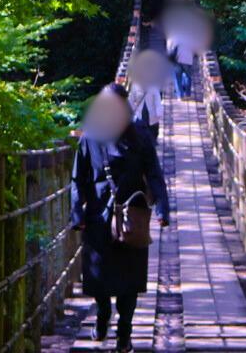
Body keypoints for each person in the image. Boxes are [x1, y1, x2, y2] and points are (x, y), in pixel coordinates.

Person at [71, 83, 170, 350]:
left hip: (130, 218)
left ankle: (124, 334)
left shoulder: (139, 135)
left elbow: (153, 173)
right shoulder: (90, 137)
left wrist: (162, 206)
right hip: (98, 218)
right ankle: (103, 315)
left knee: (129, 281)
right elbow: (78, 178)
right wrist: (76, 211)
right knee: (100, 279)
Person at [127, 49, 169, 142]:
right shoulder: (135, 85)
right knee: (141, 130)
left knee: (152, 128)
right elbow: (131, 98)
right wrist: (132, 110)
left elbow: (157, 99)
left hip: (151, 112)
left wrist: (159, 112)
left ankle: (152, 141)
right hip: (139, 113)